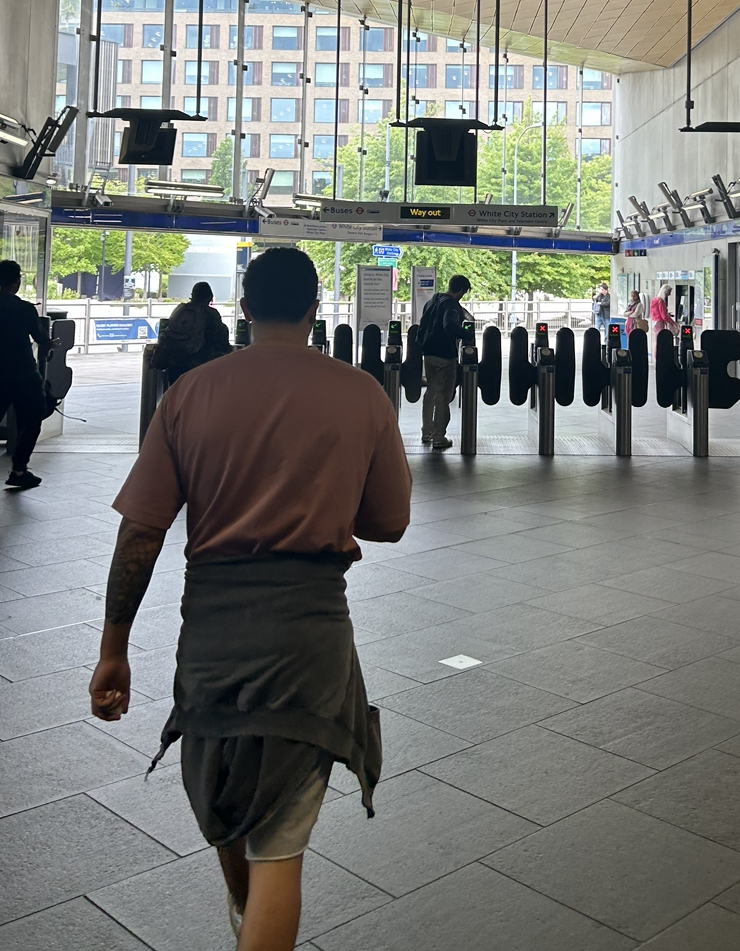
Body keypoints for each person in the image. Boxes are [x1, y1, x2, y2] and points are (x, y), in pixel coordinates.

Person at [89, 246, 411, 951]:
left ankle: (244, 911)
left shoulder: (191, 394)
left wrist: (113, 651)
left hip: (211, 636)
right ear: (314, 309)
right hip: (309, 638)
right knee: (279, 851)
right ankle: (251, 911)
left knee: (226, 796)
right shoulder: (360, 393)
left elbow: (142, 530)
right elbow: (389, 520)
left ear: (242, 308)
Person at [0, 259, 50, 499]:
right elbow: (40, 337)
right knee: (33, 419)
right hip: (22, 374)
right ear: (17, 281)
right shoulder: (24, 309)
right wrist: (49, 344)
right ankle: (19, 469)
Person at [418, 273, 472, 451]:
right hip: (445, 355)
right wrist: (466, 334)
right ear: (462, 290)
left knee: (430, 392)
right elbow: (449, 325)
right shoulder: (451, 305)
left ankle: (426, 432)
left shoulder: (432, 301)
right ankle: (439, 437)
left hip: (428, 352)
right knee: (443, 396)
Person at [152, 280, 231, 384]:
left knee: (177, 396)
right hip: (199, 365)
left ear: (192, 295)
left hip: (175, 365)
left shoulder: (180, 310)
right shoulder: (211, 314)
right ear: (209, 297)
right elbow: (220, 340)